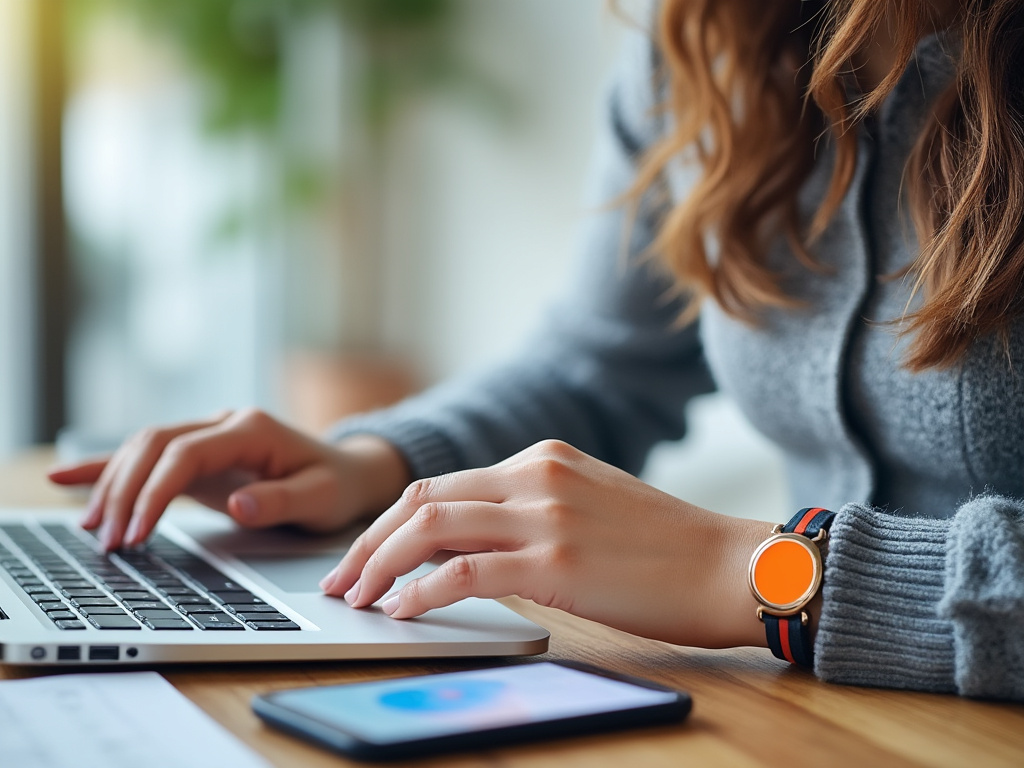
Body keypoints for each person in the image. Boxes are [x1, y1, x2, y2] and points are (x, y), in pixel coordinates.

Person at [48, 0, 1024, 699]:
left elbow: (747, 569)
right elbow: (596, 365)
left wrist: (760, 573)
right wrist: (375, 462)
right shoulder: (708, 36)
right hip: (812, 721)